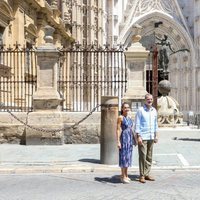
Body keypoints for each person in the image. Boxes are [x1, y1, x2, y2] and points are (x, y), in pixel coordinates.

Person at [135, 93, 158, 183]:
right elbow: (137, 123)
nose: (150, 101)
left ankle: (147, 173)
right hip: (143, 136)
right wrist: (138, 136)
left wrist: (156, 135)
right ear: (145, 100)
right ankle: (142, 175)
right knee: (142, 156)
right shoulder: (140, 110)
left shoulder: (154, 110)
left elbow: (156, 124)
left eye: (151, 99)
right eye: (148, 99)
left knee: (149, 156)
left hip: (151, 136)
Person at [116, 102, 136, 184]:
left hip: (129, 139)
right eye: (125, 107)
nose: (127, 109)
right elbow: (117, 129)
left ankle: (126, 174)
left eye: (128, 107)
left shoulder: (130, 117)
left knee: (128, 157)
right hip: (124, 139)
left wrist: (134, 139)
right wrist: (118, 141)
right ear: (122, 109)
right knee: (123, 157)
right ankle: (122, 175)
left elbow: (131, 129)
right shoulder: (120, 117)